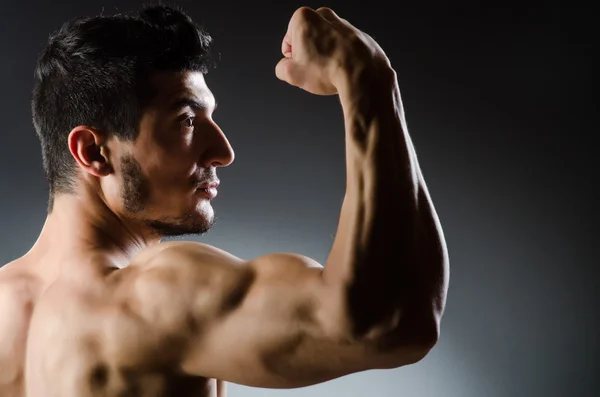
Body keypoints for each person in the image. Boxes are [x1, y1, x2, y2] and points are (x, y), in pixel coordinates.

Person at [0, 4, 449, 397]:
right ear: (94, 152)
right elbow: (389, 321)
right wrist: (365, 74)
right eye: (186, 120)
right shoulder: (151, 299)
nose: (224, 152)